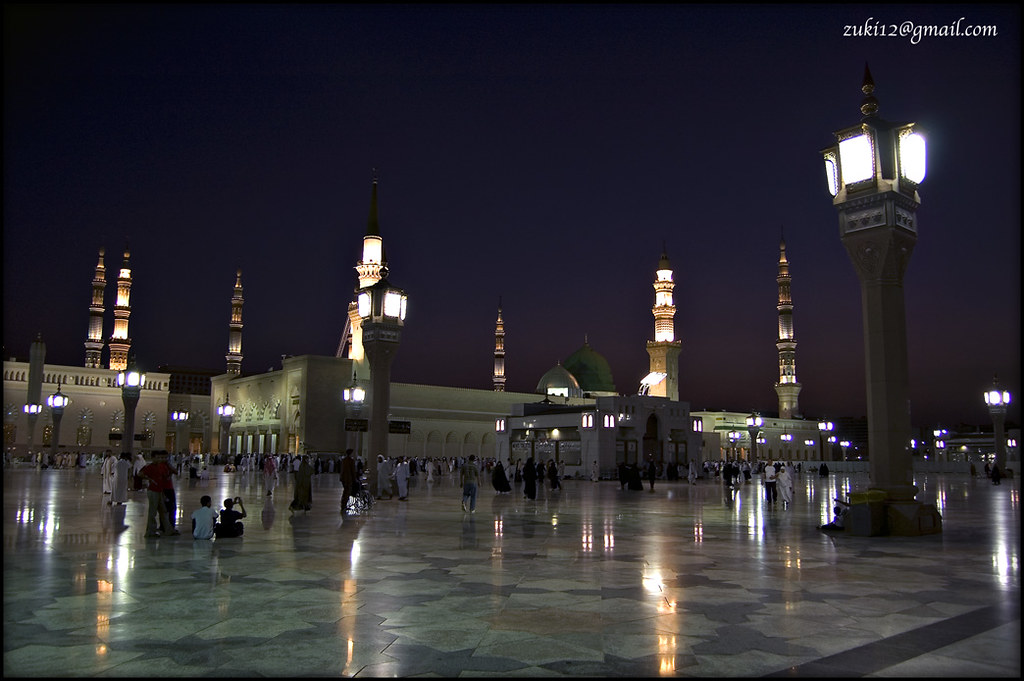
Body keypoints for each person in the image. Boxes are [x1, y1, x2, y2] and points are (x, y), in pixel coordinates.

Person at [140, 451, 178, 536]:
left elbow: (167, 476)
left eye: (161, 458)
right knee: (152, 512)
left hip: (160, 491)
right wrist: (150, 479)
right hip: (153, 491)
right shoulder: (150, 466)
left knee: (163, 511)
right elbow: (140, 474)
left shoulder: (160, 467)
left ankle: (168, 529)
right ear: (153, 458)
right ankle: (150, 532)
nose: (160, 459)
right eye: (158, 457)